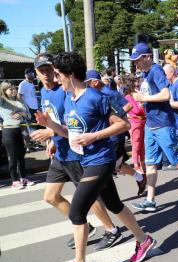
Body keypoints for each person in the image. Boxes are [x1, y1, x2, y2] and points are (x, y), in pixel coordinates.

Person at [35, 52, 156, 262]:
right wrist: (50, 125)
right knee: (114, 204)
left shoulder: (95, 97)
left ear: (70, 75)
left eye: (58, 74)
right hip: (86, 159)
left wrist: (94, 136)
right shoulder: (72, 100)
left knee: (76, 212)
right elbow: (69, 132)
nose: (56, 78)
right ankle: (144, 239)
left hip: (101, 160)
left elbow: (123, 124)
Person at [30, 54, 123, 251]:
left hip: (76, 153)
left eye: (50, 70)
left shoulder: (65, 91)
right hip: (60, 152)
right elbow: (55, 120)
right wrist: (51, 139)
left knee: (89, 198)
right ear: (36, 72)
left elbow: (72, 122)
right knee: (50, 196)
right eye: (43, 70)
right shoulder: (44, 94)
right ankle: (84, 226)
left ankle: (110, 229)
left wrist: (51, 131)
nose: (48, 75)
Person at [129, 42, 178, 212]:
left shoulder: (156, 71)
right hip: (151, 124)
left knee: (176, 160)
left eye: (138, 59)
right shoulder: (146, 73)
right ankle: (150, 200)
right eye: (134, 60)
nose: (136, 63)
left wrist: (144, 98)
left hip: (163, 124)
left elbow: (165, 94)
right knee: (150, 164)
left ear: (147, 57)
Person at [0, 81, 33, 189]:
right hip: (9, 131)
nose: (14, 90)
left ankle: (23, 178)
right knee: (13, 157)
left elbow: (28, 115)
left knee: (21, 157)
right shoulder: (2, 101)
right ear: (4, 91)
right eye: (10, 89)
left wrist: (21, 113)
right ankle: (14, 181)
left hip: (21, 130)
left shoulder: (20, 100)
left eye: (14, 88)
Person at [123, 75, 147, 195]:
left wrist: (142, 106)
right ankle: (137, 166)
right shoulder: (128, 97)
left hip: (142, 122)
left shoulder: (136, 95)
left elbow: (143, 111)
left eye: (139, 84)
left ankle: (142, 165)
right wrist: (142, 106)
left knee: (141, 146)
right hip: (135, 123)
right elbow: (138, 111)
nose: (138, 86)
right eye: (136, 85)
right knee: (136, 145)